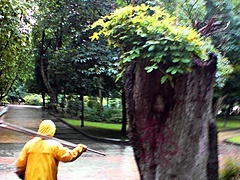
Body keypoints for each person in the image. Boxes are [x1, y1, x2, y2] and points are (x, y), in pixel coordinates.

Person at [15, 120, 87, 180]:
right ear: (52, 130)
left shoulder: (30, 144)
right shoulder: (54, 145)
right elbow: (68, 156)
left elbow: (21, 162)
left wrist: (21, 173)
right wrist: (79, 148)